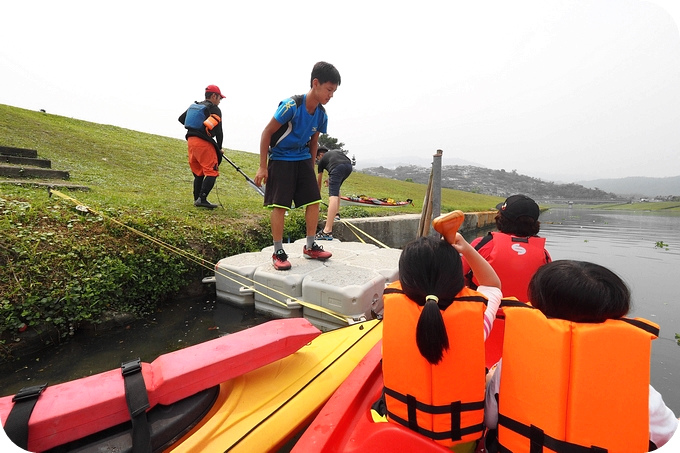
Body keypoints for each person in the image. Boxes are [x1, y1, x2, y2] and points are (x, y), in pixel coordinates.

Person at [484, 260, 678, 452]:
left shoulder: (512, 364)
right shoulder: (634, 388)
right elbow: (670, 436)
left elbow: (490, 420)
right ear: (618, 316)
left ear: (537, 309)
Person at [380, 234, 502, 452]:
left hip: (401, 433)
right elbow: (492, 285)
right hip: (459, 442)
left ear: (405, 279)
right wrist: (466, 249)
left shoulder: (393, 307)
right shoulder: (477, 320)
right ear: (457, 278)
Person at [254, 62, 341, 270]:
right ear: (316, 83)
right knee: (280, 205)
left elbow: (313, 142)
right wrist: (262, 166)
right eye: (329, 90)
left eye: (334, 91)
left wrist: (310, 168)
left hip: (302, 159)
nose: (331, 95)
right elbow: (267, 132)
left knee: (313, 200)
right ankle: (278, 251)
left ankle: (310, 246)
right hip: (281, 158)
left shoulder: (321, 114)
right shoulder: (291, 106)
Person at [461, 194, 551, 302]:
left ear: (500, 219)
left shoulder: (481, 244)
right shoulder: (543, 254)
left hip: (485, 314)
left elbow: (457, 276)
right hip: (524, 316)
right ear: (535, 224)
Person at [178, 85, 226, 209]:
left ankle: (197, 199)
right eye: (220, 98)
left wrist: (197, 127)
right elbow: (219, 131)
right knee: (212, 171)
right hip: (203, 143)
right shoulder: (214, 109)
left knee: (199, 172)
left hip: (191, 141)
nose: (220, 101)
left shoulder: (195, 106)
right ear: (214, 96)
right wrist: (219, 148)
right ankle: (202, 198)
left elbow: (181, 119)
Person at [315, 147, 353, 240]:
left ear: (320, 155)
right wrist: (330, 179)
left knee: (333, 196)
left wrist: (316, 199)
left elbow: (318, 183)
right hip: (348, 166)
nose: (318, 160)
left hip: (337, 168)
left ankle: (327, 231)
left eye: (317, 158)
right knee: (337, 189)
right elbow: (339, 167)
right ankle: (336, 214)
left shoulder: (322, 161)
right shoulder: (334, 153)